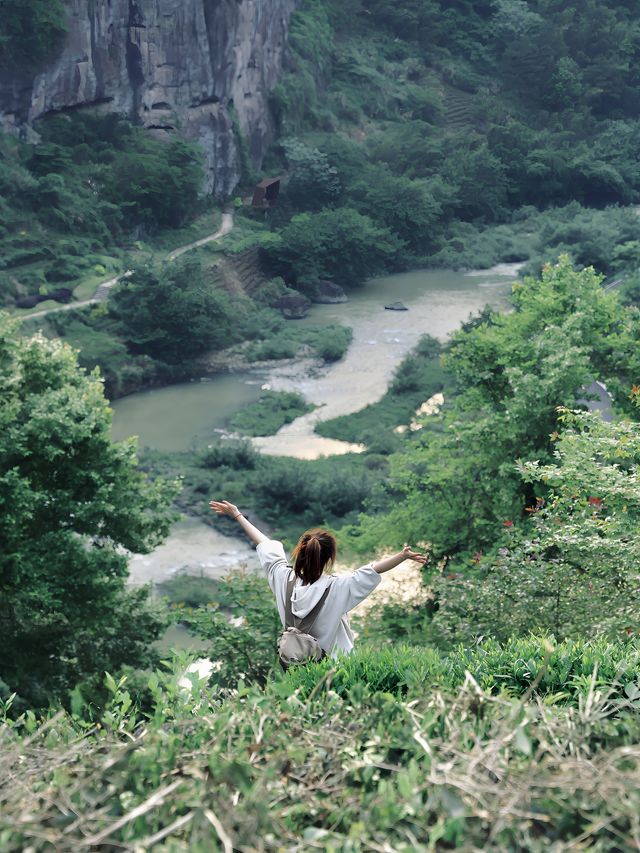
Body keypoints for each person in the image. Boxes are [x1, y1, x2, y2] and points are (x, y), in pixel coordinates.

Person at [209, 499, 427, 657]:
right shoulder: (338, 588)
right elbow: (371, 570)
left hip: (296, 666)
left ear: (300, 553)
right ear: (329, 558)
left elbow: (264, 544)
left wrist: (237, 515)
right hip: (337, 669)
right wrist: (402, 556)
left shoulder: (282, 578)